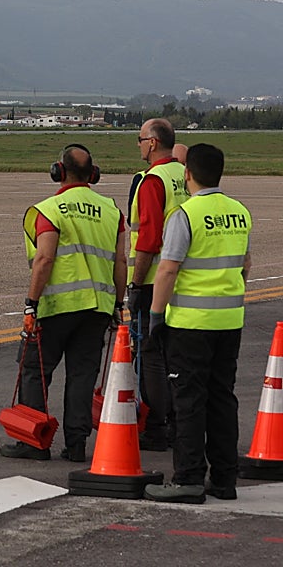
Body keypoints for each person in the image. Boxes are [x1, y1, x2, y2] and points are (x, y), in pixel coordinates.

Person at [0, 144, 128, 462]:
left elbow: (44, 259)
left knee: (34, 369)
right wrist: (116, 304)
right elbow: (121, 263)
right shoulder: (112, 211)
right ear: (93, 175)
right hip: (97, 307)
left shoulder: (50, 210)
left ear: (58, 170)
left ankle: (34, 442)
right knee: (82, 375)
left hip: (56, 307)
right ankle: (77, 445)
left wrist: (31, 303)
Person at [144, 144, 250, 504]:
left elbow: (169, 267)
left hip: (190, 325)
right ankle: (224, 478)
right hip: (229, 320)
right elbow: (245, 265)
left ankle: (188, 477)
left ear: (187, 173)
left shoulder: (185, 215)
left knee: (188, 400)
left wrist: (156, 315)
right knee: (222, 398)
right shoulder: (239, 212)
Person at [128, 118, 188, 451]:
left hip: (154, 279)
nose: (137, 145)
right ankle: (179, 422)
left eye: (139, 139)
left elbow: (148, 240)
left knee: (150, 354)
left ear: (152, 143)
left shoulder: (153, 180)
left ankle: (156, 425)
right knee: (175, 354)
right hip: (184, 278)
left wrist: (136, 286)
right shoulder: (184, 174)